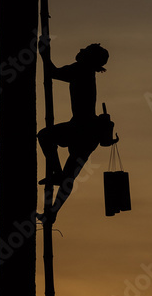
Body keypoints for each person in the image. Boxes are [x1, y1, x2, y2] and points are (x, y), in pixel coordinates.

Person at [37, 41, 117, 220]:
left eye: (85, 50)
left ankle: (56, 175)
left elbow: (52, 73)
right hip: (89, 134)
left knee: (44, 136)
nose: (80, 51)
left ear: (89, 57)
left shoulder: (80, 69)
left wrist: (44, 55)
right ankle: (53, 213)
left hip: (81, 128)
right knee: (69, 176)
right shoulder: (84, 70)